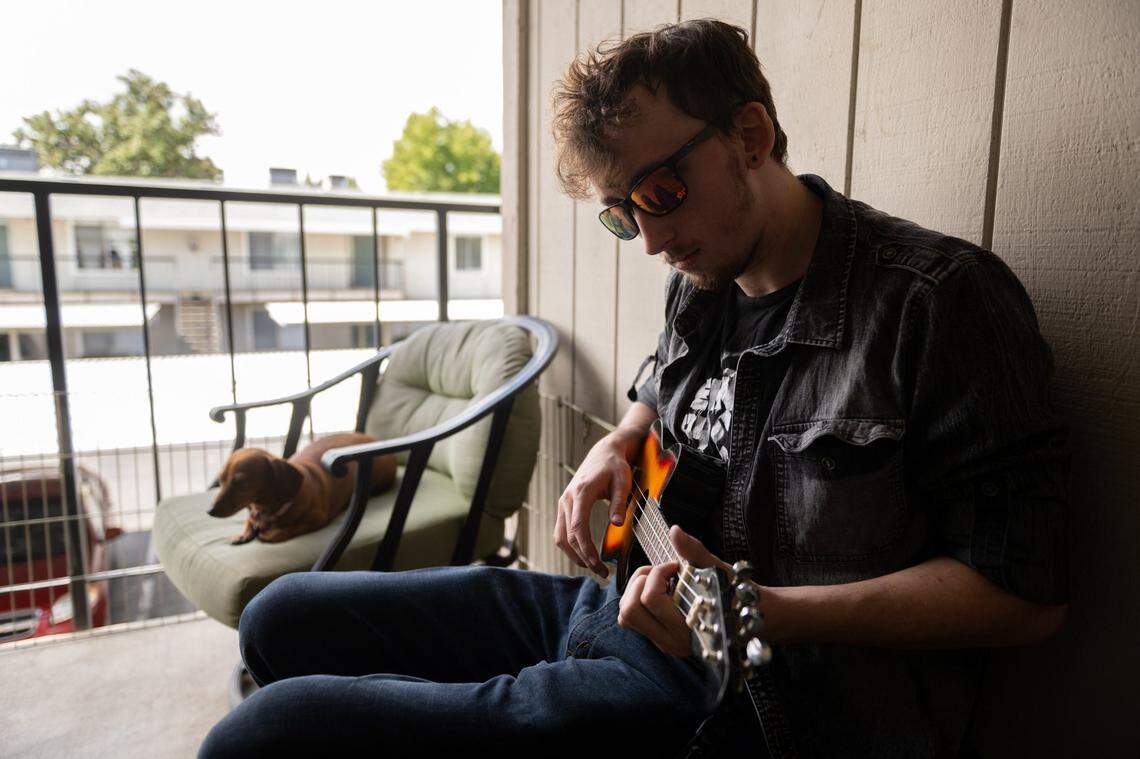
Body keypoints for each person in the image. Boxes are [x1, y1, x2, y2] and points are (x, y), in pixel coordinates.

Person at [199, 20, 1069, 758]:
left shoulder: (938, 302)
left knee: (261, 734)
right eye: (623, 212)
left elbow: (1023, 597)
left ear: (751, 136)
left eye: (661, 191)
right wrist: (616, 444)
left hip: (747, 695)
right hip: (614, 603)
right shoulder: (704, 277)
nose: (651, 240)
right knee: (279, 614)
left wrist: (761, 609)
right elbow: (661, 393)